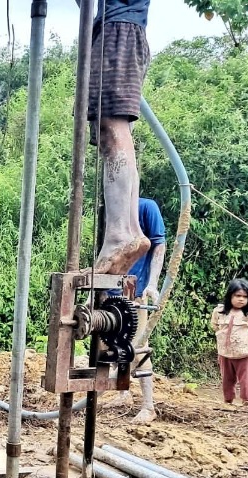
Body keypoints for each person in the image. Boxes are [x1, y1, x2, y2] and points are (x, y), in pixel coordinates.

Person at [88, 0, 152, 275]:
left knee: (111, 126)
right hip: (118, 27)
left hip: (118, 29)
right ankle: (130, 230)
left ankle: (119, 234)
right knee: (111, 130)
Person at [106, 197, 165, 423]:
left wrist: (152, 283)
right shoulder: (110, 207)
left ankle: (148, 406)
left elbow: (159, 244)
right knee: (112, 342)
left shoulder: (146, 207)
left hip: (135, 288)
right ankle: (123, 393)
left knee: (137, 346)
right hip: (111, 287)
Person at [211, 279, 248, 406]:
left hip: (244, 353)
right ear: (230, 295)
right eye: (238, 295)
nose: (241, 299)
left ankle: (247, 401)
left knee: (246, 379)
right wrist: (222, 335)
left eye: (245, 297)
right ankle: (228, 400)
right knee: (227, 378)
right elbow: (214, 325)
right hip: (225, 352)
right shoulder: (219, 311)